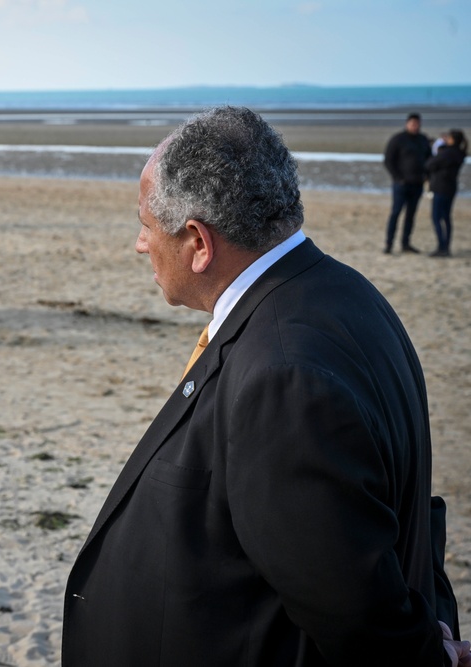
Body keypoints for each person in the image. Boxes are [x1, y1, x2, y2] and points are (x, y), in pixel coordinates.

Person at [62, 106, 469, 666]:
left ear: (199, 243)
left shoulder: (283, 376)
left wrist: (426, 653)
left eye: (145, 225)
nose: (139, 245)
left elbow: (350, 605)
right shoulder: (344, 290)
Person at [383, 112, 432, 254]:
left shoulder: (423, 140)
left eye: (417, 124)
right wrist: (398, 178)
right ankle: (389, 244)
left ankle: (406, 243)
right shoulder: (398, 139)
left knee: (411, 215)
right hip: (401, 184)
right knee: (396, 213)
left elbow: (429, 160)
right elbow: (388, 160)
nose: (415, 126)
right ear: (407, 124)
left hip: (417, 184)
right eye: (413, 124)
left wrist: (426, 176)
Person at [425, 129, 467, 258]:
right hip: (450, 188)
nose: (446, 139)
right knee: (446, 218)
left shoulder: (448, 153)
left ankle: (441, 247)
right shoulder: (459, 153)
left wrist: (438, 149)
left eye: (448, 137)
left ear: (453, 139)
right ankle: (446, 246)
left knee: (437, 217)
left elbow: (430, 164)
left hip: (440, 188)